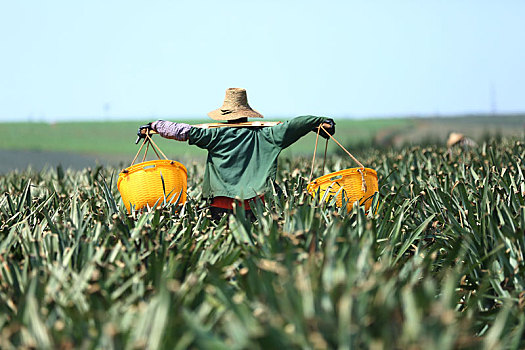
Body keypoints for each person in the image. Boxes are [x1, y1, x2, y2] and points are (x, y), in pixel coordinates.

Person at [137, 88, 335, 221]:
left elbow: (183, 130)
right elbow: (295, 125)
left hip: (220, 205)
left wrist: (155, 126)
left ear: (225, 115)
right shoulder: (268, 135)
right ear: (246, 113)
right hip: (256, 205)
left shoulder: (214, 134)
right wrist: (318, 122)